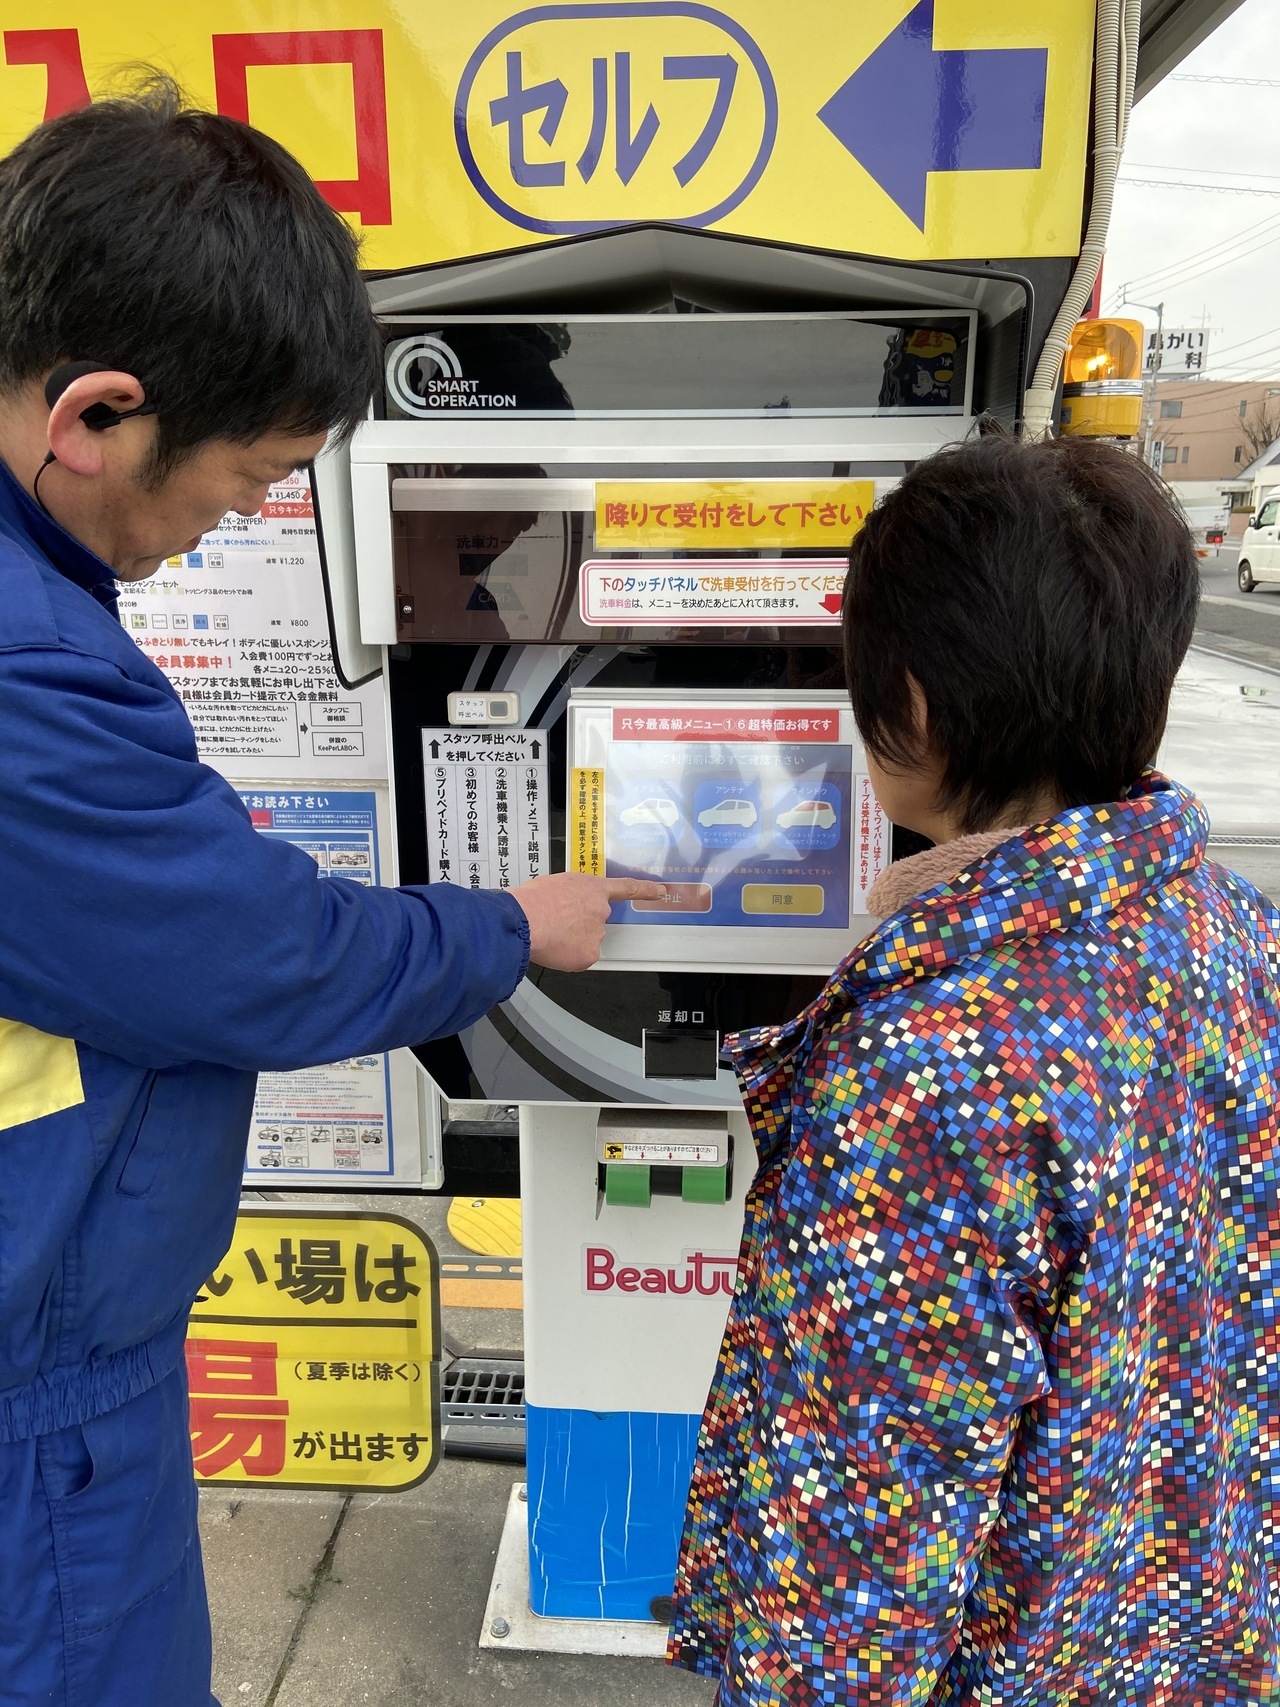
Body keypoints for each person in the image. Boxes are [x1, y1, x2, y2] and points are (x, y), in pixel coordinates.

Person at [0, 84, 658, 1706]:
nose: (247, 513)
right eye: (244, 476)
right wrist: (519, 925)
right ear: (91, 416)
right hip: (34, 1396)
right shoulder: (20, 661)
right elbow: (255, 954)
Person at [668, 432, 1280, 1703]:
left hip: (1003, 1663)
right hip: (1181, 1627)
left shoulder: (935, 1060)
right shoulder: (1232, 929)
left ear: (919, 709)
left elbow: (865, 1518)